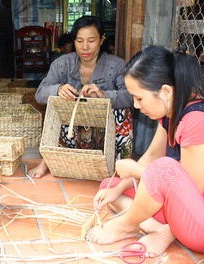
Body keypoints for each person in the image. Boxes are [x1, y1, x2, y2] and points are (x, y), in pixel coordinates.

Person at [86, 46, 204, 257]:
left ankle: (128, 225)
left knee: (163, 169)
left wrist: (135, 170)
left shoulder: (197, 120)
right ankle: (156, 228)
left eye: (139, 98)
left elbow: (190, 186)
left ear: (165, 92)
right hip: (188, 211)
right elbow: (152, 155)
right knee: (110, 187)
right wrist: (121, 186)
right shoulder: (172, 113)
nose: (135, 105)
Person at [29, 15, 134, 178]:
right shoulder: (62, 64)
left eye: (91, 40)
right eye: (79, 41)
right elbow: (39, 94)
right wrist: (58, 89)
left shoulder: (116, 65)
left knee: (123, 112)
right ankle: (47, 161)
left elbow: (131, 97)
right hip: (71, 135)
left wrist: (104, 96)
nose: (85, 47)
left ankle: (121, 168)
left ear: (102, 39)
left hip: (104, 138)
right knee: (54, 107)